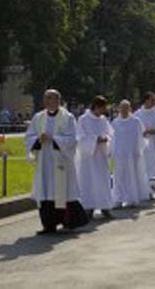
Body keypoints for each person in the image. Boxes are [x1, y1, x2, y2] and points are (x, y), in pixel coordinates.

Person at [25, 89, 89, 235]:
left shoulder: (68, 118)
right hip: (44, 162)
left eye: (51, 98)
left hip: (61, 162)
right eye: (46, 98)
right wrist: (37, 140)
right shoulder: (38, 117)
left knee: (62, 191)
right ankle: (48, 225)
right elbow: (28, 137)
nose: (48, 101)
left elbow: (72, 139)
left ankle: (68, 221)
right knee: (46, 192)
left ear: (58, 100)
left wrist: (54, 139)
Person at [75, 96, 114, 220]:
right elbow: (79, 137)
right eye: (102, 108)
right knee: (89, 182)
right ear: (96, 107)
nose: (103, 111)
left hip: (101, 157)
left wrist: (106, 139)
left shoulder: (103, 120)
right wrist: (95, 139)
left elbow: (111, 134)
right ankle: (89, 208)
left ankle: (105, 207)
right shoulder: (83, 119)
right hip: (89, 158)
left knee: (103, 181)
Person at [112, 100, 152, 207]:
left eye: (126, 107)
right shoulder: (115, 122)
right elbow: (112, 139)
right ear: (119, 109)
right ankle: (118, 199)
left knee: (131, 176)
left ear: (130, 109)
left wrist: (139, 149)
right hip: (119, 155)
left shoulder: (136, 121)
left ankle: (131, 198)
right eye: (122, 107)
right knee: (119, 177)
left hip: (132, 154)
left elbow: (141, 137)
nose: (124, 110)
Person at [134, 92, 155, 192]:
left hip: (153, 146)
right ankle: (142, 190)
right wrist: (142, 132)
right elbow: (133, 130)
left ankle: (152, 190)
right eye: (152, 100)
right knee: (142, 167)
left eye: (154, 100)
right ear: (146, 100)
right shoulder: (137, 114)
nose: (154, 102)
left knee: (152, 167)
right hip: (142, 147)